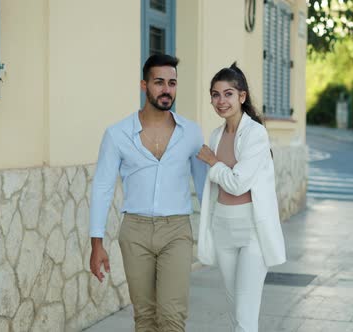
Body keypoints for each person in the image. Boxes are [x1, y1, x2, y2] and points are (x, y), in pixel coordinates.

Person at [89, 54, 207, 332]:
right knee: (144, 317)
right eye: (159, 82)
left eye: (172, 83)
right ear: (144, 86)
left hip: (176, 230)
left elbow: (204, 187)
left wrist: (217, 232)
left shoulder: (191, 132)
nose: (166, 89)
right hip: (135, 231)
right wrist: (96, 244)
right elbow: (103, 187)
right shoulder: (117, 134)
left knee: (172, 317)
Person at [196, 63, 286, 332]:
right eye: (215, 94)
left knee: (246, 316)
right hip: (223, 226)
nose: (221, 101)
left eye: (228, 94)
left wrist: (213, 163)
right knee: (235, 309)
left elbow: (237, 184)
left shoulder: (256, 134)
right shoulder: (215, 135)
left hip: (251, 231)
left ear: (242, 97)